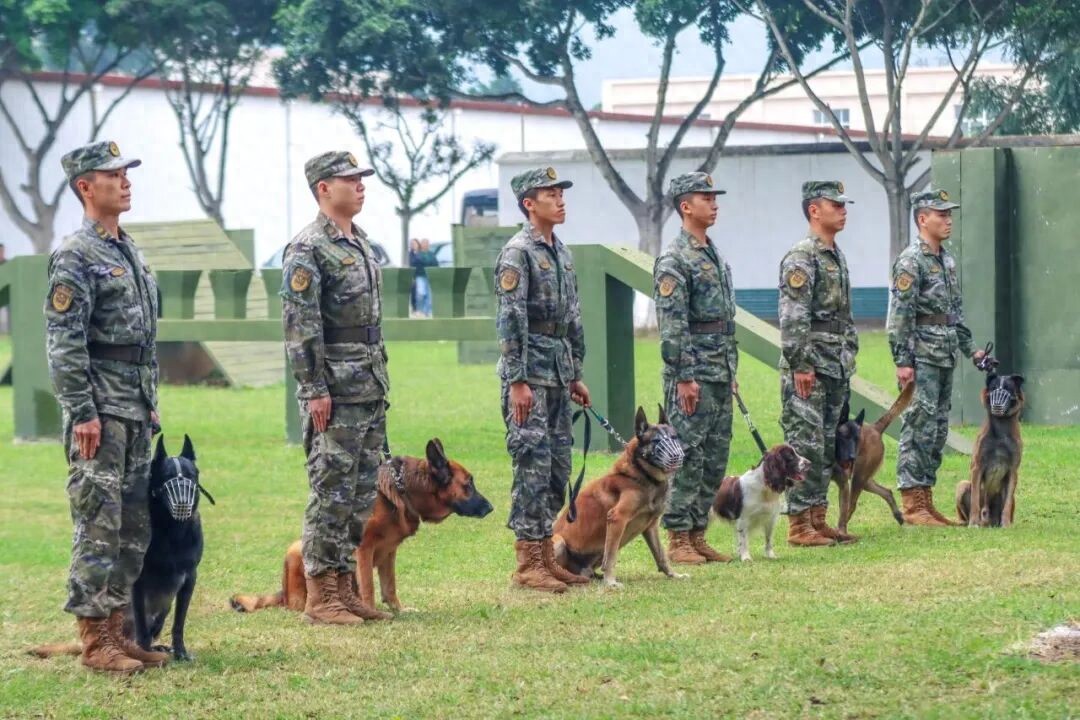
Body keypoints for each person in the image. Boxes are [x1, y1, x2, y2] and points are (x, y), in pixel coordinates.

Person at [45, 140, 167, 673]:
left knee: (133, 528)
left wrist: (151, 402)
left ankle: (119, 633)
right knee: (98, 525)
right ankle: (95, 640)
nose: (125, 181)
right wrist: (82, 411)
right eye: (112, 174)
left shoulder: (127, 250)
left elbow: (143, 338)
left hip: (135, 409)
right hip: (100, 413)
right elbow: (64, 342)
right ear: (84, 186)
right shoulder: (76, 254)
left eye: (126, 173)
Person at [280, 151, 393, 625]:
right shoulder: (308, 248)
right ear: (324, 188)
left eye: (361, 178)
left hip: (367, 381)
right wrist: (313, 388)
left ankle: (344, 588)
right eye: (350, 179)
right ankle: (320, 593)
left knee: (360, 492)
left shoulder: (360, 243)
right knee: (330, 489)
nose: (360, 185)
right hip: (334, 387)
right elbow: (300, 325)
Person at [495, 166, 591, 593]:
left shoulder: (560, 252)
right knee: (531, 464)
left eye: (561, 192)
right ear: (529, 203)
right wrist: (517, 380)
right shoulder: (518, 253)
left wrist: (576, 375)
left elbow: (572, 318)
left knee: (558, 467)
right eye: (550, 193)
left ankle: (546, 556)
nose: (560, 199)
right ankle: (529, 562)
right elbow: (510, 319)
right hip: (529, 377)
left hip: (557, 372)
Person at [888, 188, 986, 526]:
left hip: (944, 354)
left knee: (937, 428)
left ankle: (926, 499)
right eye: (940, 214)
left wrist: (970, 349)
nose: (948, 220)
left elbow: (953, 313)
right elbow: (900, 315)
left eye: (949, 214)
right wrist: (903, 361)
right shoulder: (910, 261)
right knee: (918, 425)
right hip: (922, 357)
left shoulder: (946, 260)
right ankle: (912, 502)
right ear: (922, 218)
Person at [653, 171, 737, 564]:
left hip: (718, 369)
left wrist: (730, 370)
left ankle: (698, 531)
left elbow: (726, 319)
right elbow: (673, 325)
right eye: (706, 197)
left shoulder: (713, 253)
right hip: (693, 372)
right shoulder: (675, 259)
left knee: (714, 455)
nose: (714, 203)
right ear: (686, 206)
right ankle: (678, 536)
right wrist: (684, 376)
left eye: (714, 197)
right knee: (685, 454)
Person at [778, 181, 859, 547]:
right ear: (814, 210)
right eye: (835, 204)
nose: (843, 210)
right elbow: (794, 317)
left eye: (844, 205)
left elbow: (844, 314)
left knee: (827, 445)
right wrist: (801, 365)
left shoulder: (834, 254)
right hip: (810, 365)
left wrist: (850, 351)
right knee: (805, 442)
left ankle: (817, 517)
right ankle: (798, 524)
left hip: (835, 363)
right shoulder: (802, 256)